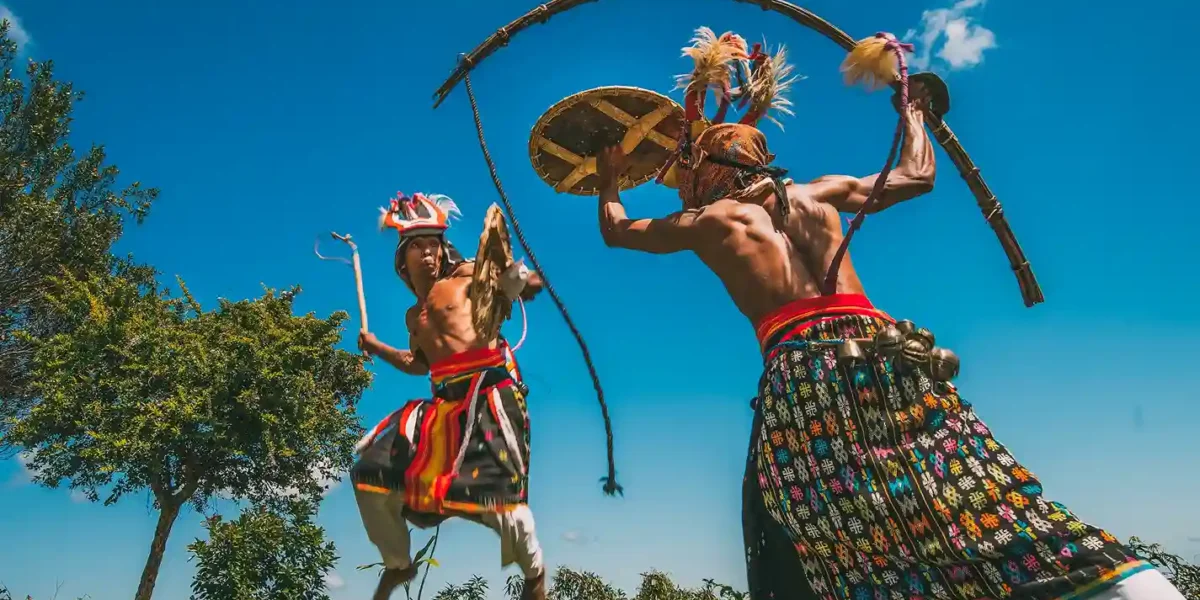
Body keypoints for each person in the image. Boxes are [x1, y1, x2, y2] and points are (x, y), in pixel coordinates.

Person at [592, 29, 1184, 600]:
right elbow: (916, 176)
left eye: (685, 177)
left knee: (833, 528)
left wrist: (610, 176)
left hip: (805, 376)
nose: (681, 189)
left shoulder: (711, 223)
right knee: (959, 483)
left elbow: (618, 231)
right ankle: (1120, 584)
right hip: (886, 352)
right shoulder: (819, 194)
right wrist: (914, 110)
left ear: (707, 171)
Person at [351, 192, 547, 600]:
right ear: (402, 261)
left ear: (442, 252)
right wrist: (374, 347)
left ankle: (534, 576)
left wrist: (520, 281)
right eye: (416, 246)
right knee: (368, 475)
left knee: (500, 505)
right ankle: (398, 564)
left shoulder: (465, 277)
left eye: (432, 245)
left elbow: (515, 283)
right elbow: (417, 363)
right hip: (442, 408)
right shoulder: (414, 316)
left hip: (490, 395)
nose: (426, 253)